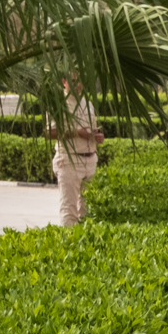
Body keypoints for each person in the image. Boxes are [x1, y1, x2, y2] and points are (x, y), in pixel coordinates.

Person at [47, 78, 102, 226]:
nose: (78, 84)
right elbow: (49, 133)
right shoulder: (58, 104)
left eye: (80, 80)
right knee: (69, 210)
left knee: (88, 210)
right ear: (63, 81)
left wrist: (96, 136)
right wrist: (76, 133)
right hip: (69, 160)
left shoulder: (88, 103)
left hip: (90, 160)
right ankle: (70, 245)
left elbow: (91, 130)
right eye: (73, 80)